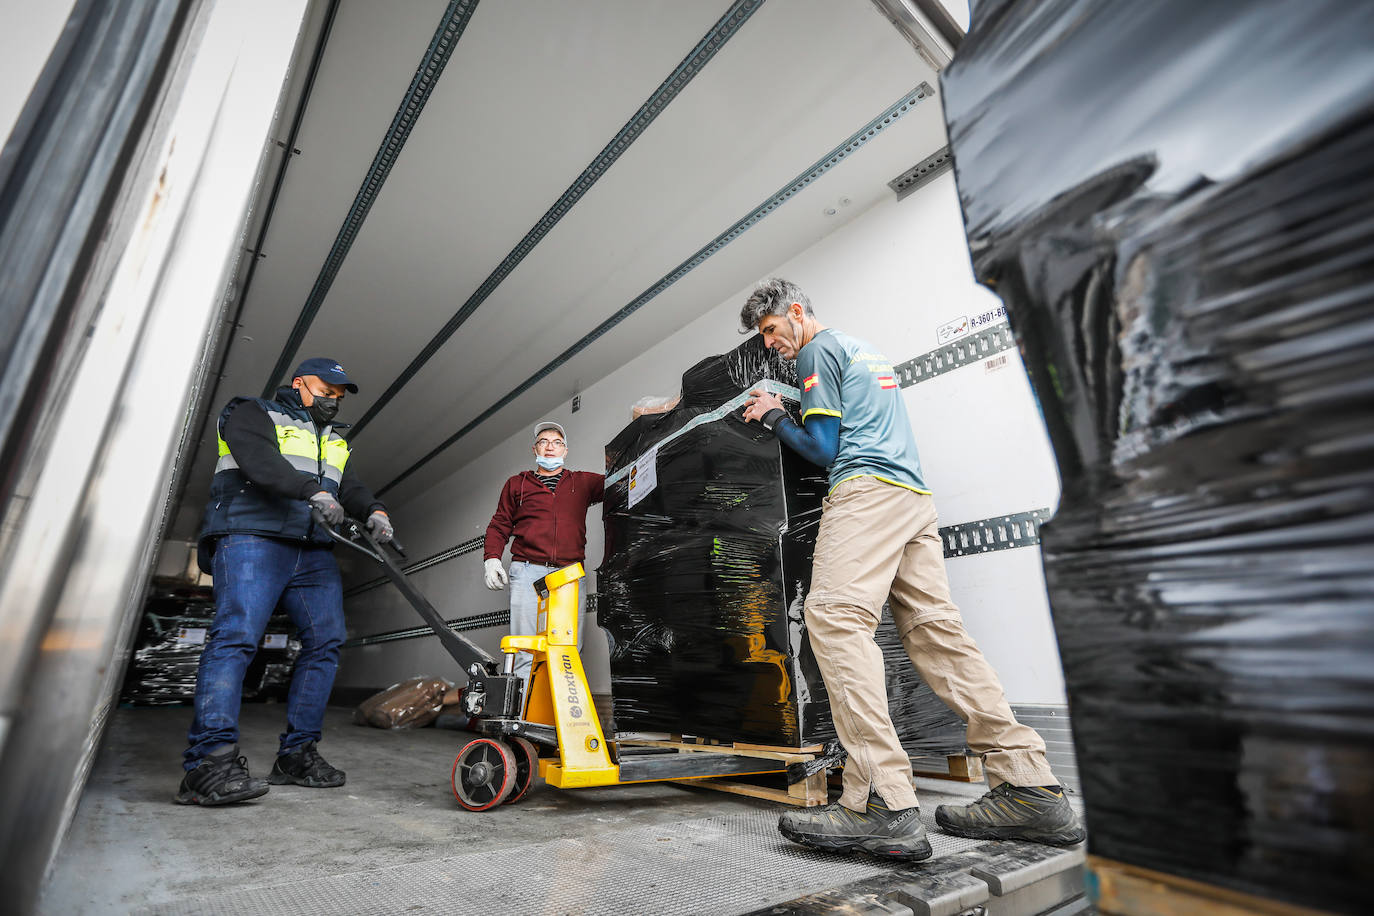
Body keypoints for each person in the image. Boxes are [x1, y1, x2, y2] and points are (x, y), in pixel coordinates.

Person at [739, 278, 1084, 860]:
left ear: (796, 312)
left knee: (833, 618)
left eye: (772, 330)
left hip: (866, 490)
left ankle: (881, 803)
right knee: (936, 634)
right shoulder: (862, 350)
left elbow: (824, 449)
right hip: (913, 497)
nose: (772, 344)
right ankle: (1030, 786)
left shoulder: (819, 351)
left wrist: (774, 415)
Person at [177, 358, 395, 806]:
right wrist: (310, 491)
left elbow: (347, 485)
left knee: (327, 640)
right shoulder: (252, 412)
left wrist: (374, 510)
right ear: (300, 384)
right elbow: (259, 461)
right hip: (252, 536)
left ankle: (296, 755)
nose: (332, 400)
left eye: (339, 395)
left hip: (311, 550)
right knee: (236, 637)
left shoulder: (334, 441)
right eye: (326, 390)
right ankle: (208, 762)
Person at [483, 422, 604, 685]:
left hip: (569, 574)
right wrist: (492, 558)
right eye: (543, 441)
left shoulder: (582, 482)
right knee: (526, 649)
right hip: (527, 571)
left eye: (557, 442)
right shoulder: (517, 484)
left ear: (566, 450)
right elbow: (500, 523)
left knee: (568, 649)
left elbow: (622, 480)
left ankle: (560, 717)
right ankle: (524, 717)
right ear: (534, 448)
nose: (550, 446)